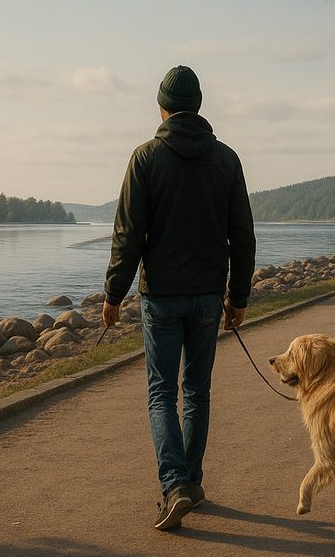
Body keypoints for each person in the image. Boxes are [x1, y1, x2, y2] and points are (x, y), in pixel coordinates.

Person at [102, 65, 256, 531]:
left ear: (162, 107)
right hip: (208, 298)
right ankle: (191, 482)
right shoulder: (226, 160)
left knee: (161, 393)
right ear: (198, 106)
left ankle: (175, 486)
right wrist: (239, 297)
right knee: (196, 392)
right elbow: (242, 236)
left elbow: (128, 234)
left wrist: (113, 294)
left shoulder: (145, 158)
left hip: (162, 298)